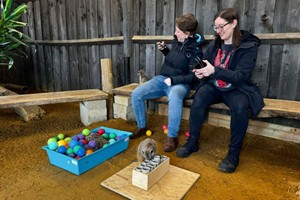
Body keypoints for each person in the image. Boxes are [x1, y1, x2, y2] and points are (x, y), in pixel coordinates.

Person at [176, 8, 265, 173]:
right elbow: (206, 63)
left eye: (221, 27)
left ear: (234, 23)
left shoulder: (248, 45)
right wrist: (200, 70)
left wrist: (214, 71)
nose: (218, 31)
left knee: (240, 107)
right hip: (215, 85)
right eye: (215, 28)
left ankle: (233, 154)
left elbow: (241, 76)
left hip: (236, 88)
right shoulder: (216, 43)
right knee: (199, 98)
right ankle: (192, 142)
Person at [130, 13, 205, 153]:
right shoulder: (177, 41)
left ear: (187, 33)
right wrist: (165, 50)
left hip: (180, 84)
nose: (175, 33)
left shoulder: (196, 51)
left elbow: (193, 76)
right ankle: (141, 126)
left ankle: (172, 137)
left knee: (175, 97)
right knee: (136, 93)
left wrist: (174, 80)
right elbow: (175, 61)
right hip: (162, 79)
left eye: (178, 31)